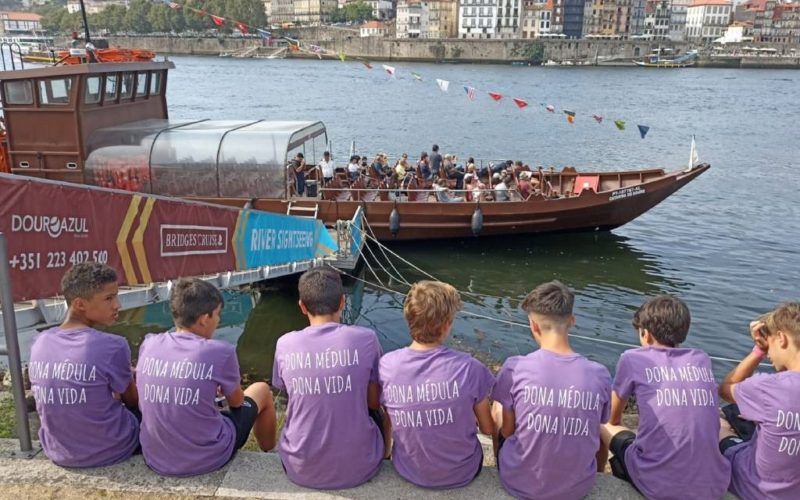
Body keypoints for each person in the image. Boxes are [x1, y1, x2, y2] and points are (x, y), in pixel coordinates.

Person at [137, 279, 277, 477]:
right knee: (261, 390)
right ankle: (270, 452)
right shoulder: (220, 351)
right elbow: (237, 402)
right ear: (204, 318)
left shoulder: (149, 343)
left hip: (155, 456)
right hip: (207, 456)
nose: (218, 321)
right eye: (218, 314)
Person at [599, 295, 730, 499]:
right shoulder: (700, 358)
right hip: (714, 484)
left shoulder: (632, 358)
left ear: (646, 334)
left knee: (603, 424)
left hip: (659, 484)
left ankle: (599, 480)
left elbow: (613, 417)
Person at [493, 281, 611, 500]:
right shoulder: (600, 374)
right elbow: (598, 428)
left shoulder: (514, 367)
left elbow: (508, 432)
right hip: (578, 489)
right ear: (572, 321)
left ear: (533, 325)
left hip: (519, 483)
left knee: (498, 408)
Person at [272, 268, 385, 489]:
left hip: (299, 467)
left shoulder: (285, 344)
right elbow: (374, 401)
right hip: (362, 466)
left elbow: (286, 391)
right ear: (343, 302)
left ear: (302, 306)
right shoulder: (366, 339)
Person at [379, 281, 495, 489]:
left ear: (409, 320)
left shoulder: (388, 365)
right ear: (446, 325)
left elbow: (388, 416)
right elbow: (487, 428)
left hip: (408, 469)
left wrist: (387, 451)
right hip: (463, 471)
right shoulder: (470, 367)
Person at [29, 262, 139, 468]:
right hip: (110, 449)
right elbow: (133, 401)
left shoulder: (40, 342)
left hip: (58, 452)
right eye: (109, 298)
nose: (118, 305)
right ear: (80, 304)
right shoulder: (113, 345)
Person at [718, 303, 800, 499]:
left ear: (781, 338)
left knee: (717, 419)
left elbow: (725, 388)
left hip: (756, 489)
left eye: (769, 343)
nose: (770, 355)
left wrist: (758, 351)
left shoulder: (769, 387)